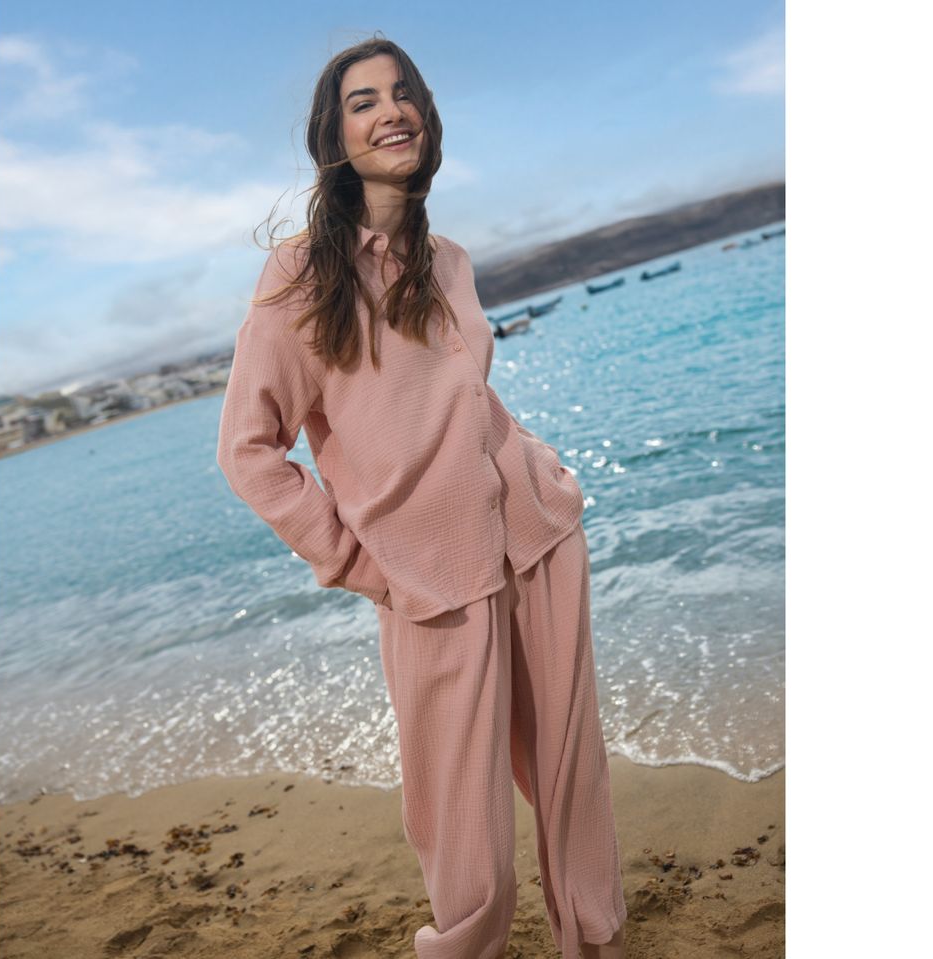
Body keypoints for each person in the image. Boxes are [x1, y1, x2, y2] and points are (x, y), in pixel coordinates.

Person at [216, 36, 627, 959]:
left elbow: (459, 401)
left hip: (536, 529)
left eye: (403, 94)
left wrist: (539, 463)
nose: (390, 111)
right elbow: (249, 451)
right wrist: (354, 558)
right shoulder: (298, 279)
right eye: (363, 102)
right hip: (428, 578)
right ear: (336, 136)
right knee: (461, 820)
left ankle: (592, 944)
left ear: (427, 117)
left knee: (571, 773)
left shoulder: (451, 261)